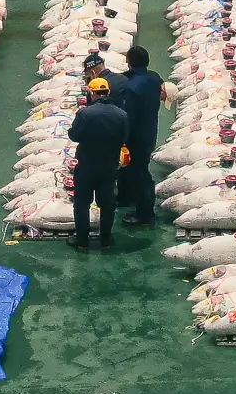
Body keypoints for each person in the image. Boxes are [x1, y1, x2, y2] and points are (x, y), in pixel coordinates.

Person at [68, 76, 130, 251]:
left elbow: (74, 136)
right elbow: (124, 138)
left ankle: (82, 242)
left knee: (82, 203)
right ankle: (106, 239)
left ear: (92, 93)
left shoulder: (85, 113)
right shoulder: (121, 114)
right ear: (108, 92)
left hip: (86, 164)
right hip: (108, 165)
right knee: (107, 203)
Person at [118, 45, 165, 226]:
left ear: (128, 62)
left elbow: (127, 116)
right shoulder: (153, 78)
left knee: (139, 174)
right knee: (139, 169)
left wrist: (121, 138)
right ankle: (133, 201)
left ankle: (145, 214)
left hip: (135, 136)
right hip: (150, 132)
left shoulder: (131, 88)